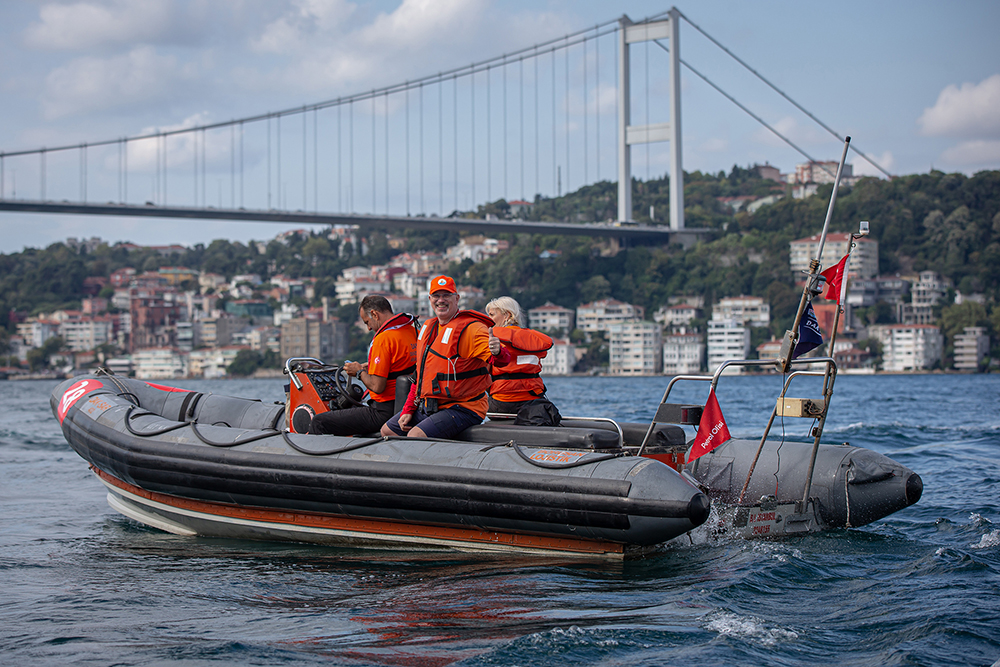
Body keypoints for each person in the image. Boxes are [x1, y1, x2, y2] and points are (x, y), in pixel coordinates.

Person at [381, 276, 496, 440]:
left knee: (415, 436)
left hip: (464, 408)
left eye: (446, 295)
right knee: (387, 431)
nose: (441, 300)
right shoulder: (428, 328)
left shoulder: (472, 329)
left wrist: (498, 352)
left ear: (457, 298)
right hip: (432, 406)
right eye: (436, 296)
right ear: (430, 299)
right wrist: (408, 410)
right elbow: (420, 379)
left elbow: (499, 360)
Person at [310, 295, 417, 436]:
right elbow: (401, 365)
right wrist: (372, 366)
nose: (368, 328)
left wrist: (359, 372)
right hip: (406, 405)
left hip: (384, 411)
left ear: (374, 314)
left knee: (318, 422)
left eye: (367, 322)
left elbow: (378, 387)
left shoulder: (383, 340)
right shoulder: (411, 330)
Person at [485, 296, 554, 415]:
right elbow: (541, 355)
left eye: (492, 315)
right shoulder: (534, 340)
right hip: (533, 401)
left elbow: (484, 376)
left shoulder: (492, 340)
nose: (488, 319)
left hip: (501, 403)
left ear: (507, 315)